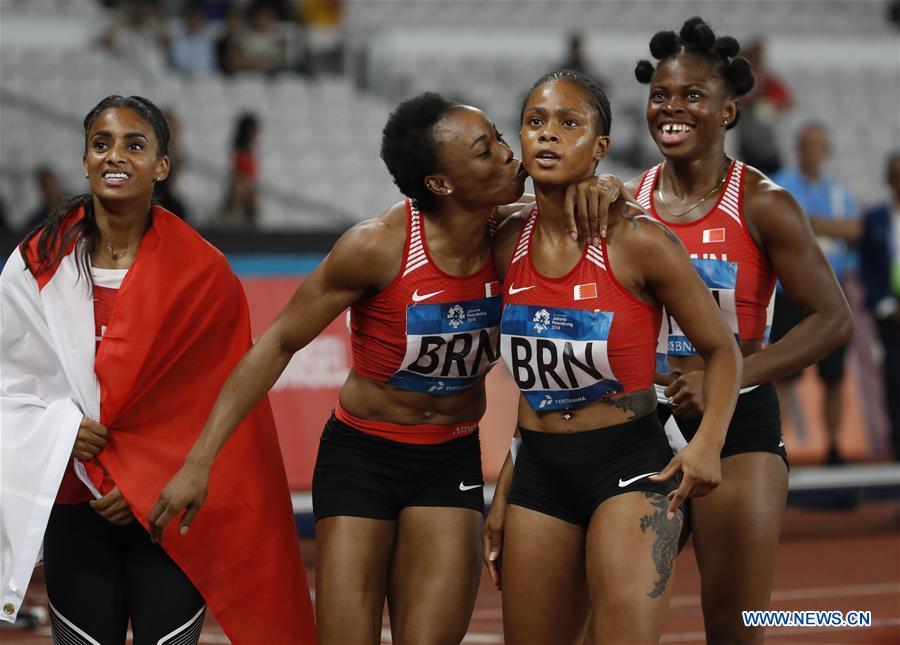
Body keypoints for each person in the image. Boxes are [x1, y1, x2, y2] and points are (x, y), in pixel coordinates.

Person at [0, 95, 315, 644]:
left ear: (161, 166)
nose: (114, 156)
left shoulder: (204, 271)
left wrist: (146, 479)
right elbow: (10, 379)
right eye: (101, 144)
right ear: (84, 160)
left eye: (134, 144)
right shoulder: (37, 261)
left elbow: (216, 398)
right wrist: (60, 427)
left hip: (169, 512)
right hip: (76, 503)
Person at [488, 70, 742, 645]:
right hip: (539, 471)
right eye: (535, 122)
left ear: (600, 148)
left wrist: (708, 444)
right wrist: (506, 484)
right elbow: (539, 383)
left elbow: (722, 350)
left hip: (630, 467)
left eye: (568, 123)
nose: (547, 135)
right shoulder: (505, 242)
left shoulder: (640, 242)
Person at [627, 18, 852, 642]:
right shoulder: (623, 203)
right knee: (619, 625)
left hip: (738, 428)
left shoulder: (764, 204)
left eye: (692, 95)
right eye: (661, 95)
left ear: (727, 111)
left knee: (733, 626)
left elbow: (833, 320)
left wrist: (728, 379)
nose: (671, 108)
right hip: (641, 424)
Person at [772, 121, 858, 464]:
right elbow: (780, 225)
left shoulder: (838, 191)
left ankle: (834, 447)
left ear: (826, 150)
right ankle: (777, 446)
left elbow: (855, 229)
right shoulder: (781, 185)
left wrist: (810, 223)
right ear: (798, 148)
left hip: (832, 292)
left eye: (819, 145)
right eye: (807, 144)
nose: (813, 151)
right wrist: (826, 226)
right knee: (782, 373)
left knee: (834, 375)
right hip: (789, 291)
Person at [860, 153, 900, 459]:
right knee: (894, 377)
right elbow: (869, 268)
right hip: (890, 314)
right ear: (889, 180)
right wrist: (885, 304)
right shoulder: (875, 218)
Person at [225, 112, 260, 225]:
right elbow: (238, 177)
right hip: (241, 197)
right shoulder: (241, 153)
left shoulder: (250, 152)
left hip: (248, 196)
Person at [23, 165, 64, 232]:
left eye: (52, 186)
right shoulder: (36, 222)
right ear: (41, 189)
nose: (51, 191)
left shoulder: (73, 212)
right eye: (46, 187)